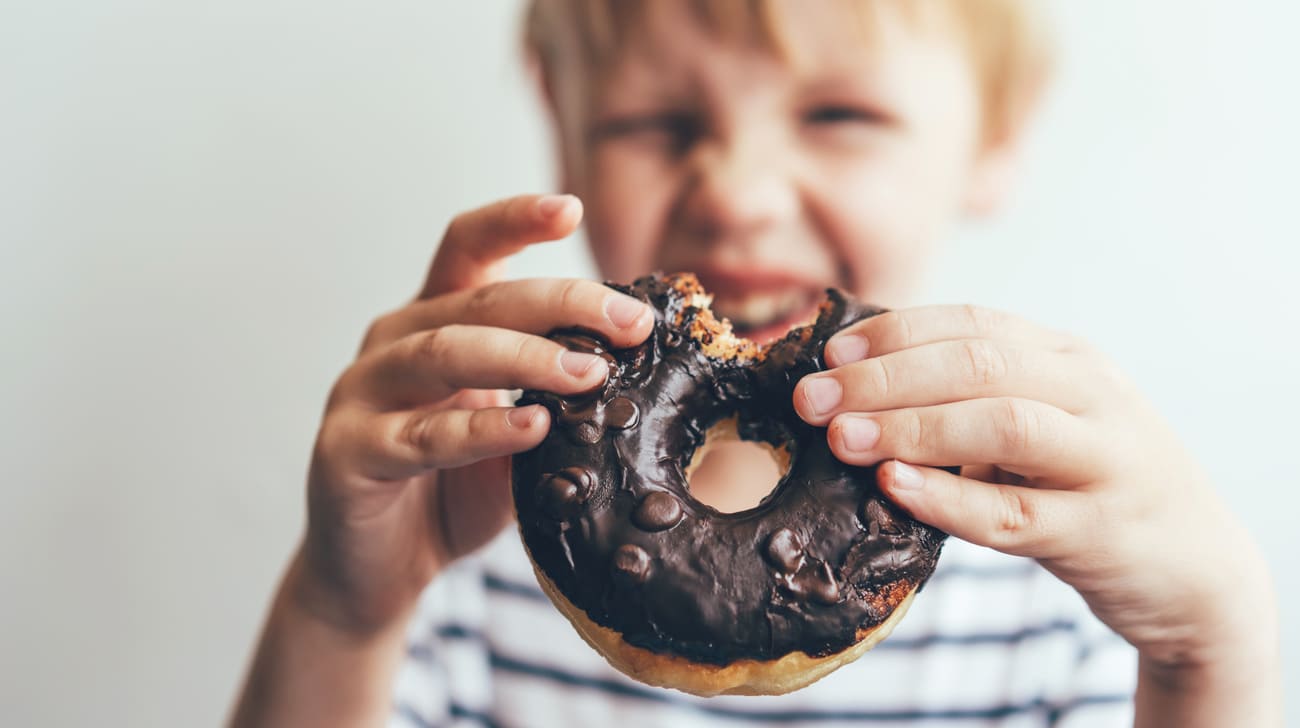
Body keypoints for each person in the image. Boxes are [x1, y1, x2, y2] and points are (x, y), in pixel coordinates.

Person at [230, 1, 1282, 726]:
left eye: (839, 115)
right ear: (562, 119)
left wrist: (1207, 655)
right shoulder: (462, 584)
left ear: (993, 133)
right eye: (657, 122)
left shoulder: (1058, 594)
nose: (734, 192)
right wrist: (344, 609)